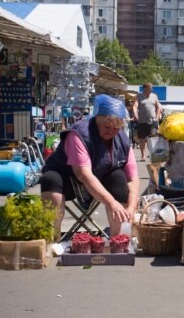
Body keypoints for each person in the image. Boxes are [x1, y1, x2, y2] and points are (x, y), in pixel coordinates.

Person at [40, 94, 140, 239]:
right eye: (107, 126)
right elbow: (83, 174)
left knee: (119, 177)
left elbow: (133, 178)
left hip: (100, 178)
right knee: (50, 179)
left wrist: (131, 208)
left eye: (116, 128)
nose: (111, 131)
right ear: (97, 120)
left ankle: (118, 239)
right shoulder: (79, 133)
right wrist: (112, 203)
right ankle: (51, 238)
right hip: (68, 178)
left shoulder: (122, 139)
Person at [133, 82, 162, 161]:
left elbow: (158, 107)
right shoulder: (139, 96)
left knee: (152, 137)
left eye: (152, 88)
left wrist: (157, 116)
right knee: (142, 139)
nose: (151, 89)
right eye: (150, 88)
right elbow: (135, 106)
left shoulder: (154, 96)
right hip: (142, 121)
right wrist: (135, 114)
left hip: (152, 121)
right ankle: (143, 155)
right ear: (145, 89)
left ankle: (152, 154)